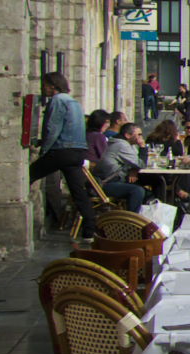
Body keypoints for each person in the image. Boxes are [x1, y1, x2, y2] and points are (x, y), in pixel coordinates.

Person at [29, 72, 99, 234]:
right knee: (78, 192)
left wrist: (43, 149)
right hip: (77, 152)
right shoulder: (74, 102)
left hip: (62, 151)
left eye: (45, 85)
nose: (43, 88)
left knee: (29, 175)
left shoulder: (57, 100)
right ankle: (90, 229)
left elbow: (52, 128)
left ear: (53, 86)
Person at [95, 121, 148, 211]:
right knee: (137, 191)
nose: (141, 137)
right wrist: (143, 147)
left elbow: (135, 163)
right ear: (127, 135)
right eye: (139, 134)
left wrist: (133, 169)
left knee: (155, 184)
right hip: (107, 183)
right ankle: (132, 220)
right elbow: (141, 164)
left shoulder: (127, 144)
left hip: (117, 179)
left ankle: (148, 218)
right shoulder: (121, 145)